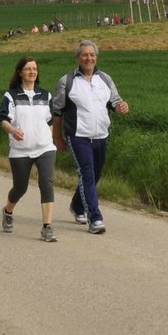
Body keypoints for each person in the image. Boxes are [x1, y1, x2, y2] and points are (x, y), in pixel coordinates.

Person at [50, 38, 128, 234]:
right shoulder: (67, 81)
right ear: (78, 58)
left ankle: (77, 206)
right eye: (84, 55)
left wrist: (121, 107)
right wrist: (57, 137)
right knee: (87, 173)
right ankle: (95, 218)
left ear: (96, 57)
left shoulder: (105, 79)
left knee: (95, 175)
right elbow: (57, 112)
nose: (89, 58)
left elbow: (115, 102)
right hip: (78, 136)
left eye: (92, 55)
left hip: (101, 135)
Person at [0, 56, 57, 241]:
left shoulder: (46, 95)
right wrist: (12, 130)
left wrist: (49, 137)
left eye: (34, 69)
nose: (32, 71)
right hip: (20, 150)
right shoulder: (11, 96)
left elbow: (50, 121)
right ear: (20, 72)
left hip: (45, 148)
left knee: (46, 183)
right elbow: (4, 120)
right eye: (28, 69)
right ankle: (8, 212)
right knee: (20, 187)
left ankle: (47, 227)